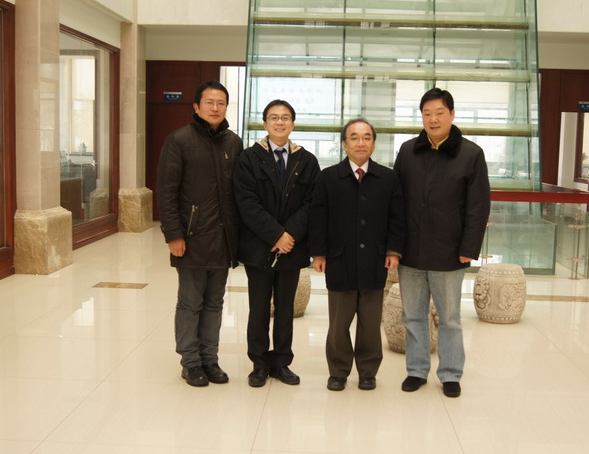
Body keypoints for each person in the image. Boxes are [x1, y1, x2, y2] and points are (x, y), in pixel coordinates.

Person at [394, 88, 490, 397]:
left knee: (449, 318)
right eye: (427, 114)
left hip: (449, 251)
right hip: (410, 250)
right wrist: (394, 246)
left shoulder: (471, 154)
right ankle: (416, 370)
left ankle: (450, 374)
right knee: (413, 316)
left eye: (439, 113)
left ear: (452, 114)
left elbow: (478, 206)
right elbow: (396, 201)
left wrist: (468, 249)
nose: (433, 119)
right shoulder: (408, 151)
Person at [157, 80, 243, 387]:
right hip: (191, 238)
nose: (215, 108)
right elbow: (167, 192)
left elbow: (239, 194)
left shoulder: (234, 143)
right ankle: (191, 362)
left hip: (223, 239)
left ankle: (210, 359)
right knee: (190, 302)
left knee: (215, 303)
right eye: (209, 102)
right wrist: (174, 234)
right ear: (196, 107)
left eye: (221, 103)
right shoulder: (179, 140)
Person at [309, 118, 405, 391]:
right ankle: (338, 371)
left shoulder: (388, 178)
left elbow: (397, 219)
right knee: (339, 324)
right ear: (344, 144)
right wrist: (319, 254)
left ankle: (367, 371)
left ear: (373, 144)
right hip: (340, 260)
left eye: (366, 137)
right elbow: (318, 218)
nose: (360, 143)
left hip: (375, 260)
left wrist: (394, 250)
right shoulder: (328, 177)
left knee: (370, 323)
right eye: (354, 137)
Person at [233, 99, 320, 388]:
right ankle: (259, 363)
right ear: (265, 123)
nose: (279, 122)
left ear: (292, 123)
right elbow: (246, 203)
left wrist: (289, 235)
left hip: (292, 248)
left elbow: (311, 203)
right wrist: (275, 235)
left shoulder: (307, 160)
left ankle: (282, 362)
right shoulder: (249, 158)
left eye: (285, 118)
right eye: (274, 117)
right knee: (258, 308)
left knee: (285, 309)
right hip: (259, 246)